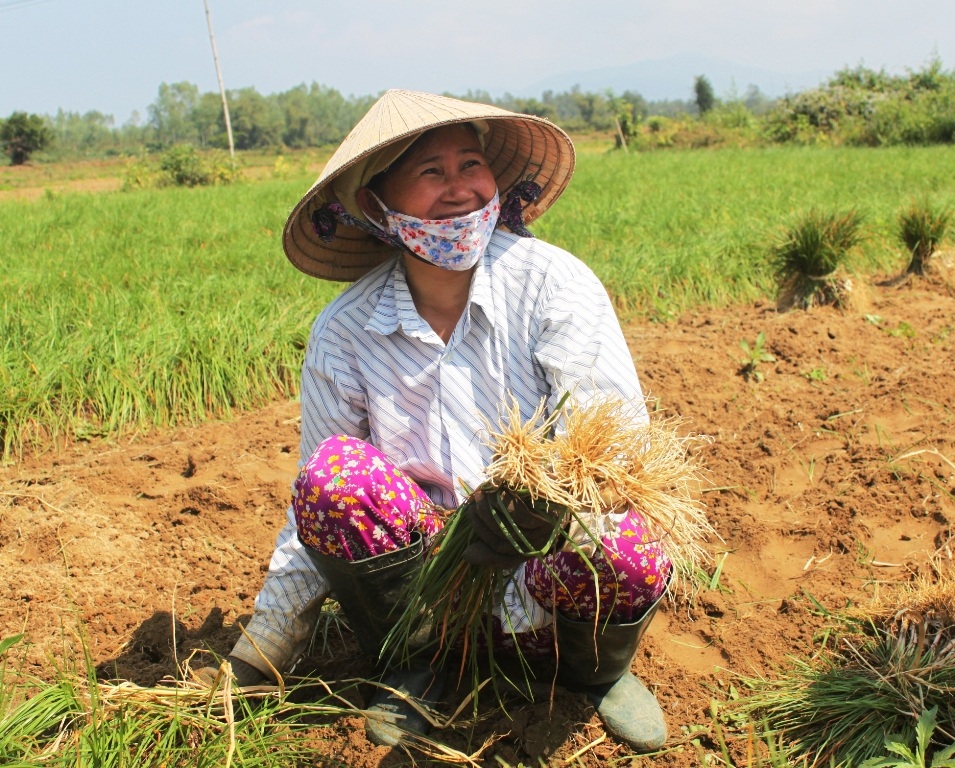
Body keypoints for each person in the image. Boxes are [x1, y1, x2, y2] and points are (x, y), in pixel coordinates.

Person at [219, 89, 673, 752]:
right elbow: (311, 500)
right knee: (334, 476)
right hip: (426, 592)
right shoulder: (345, 332)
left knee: (628, 540)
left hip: (546, 574)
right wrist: (265, 644)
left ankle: (593, 671)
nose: (459, 189)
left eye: (471, 164)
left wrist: (547, 506)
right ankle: (419, 663)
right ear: (377, 205)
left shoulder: (554, 284)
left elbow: (617, 444)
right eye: (430, 171)